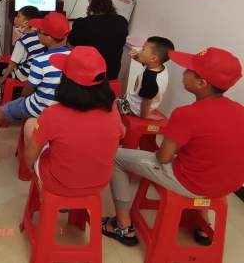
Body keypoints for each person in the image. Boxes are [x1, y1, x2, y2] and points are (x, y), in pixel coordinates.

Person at [104, 47, 244, 247]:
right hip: (227, 184)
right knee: (204, 164)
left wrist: (163, 152)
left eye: (189, 70)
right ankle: (203, 225)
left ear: (202, 84)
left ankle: (123, 226)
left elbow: (163, 158)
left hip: (190, 182)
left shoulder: (186, 114)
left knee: (115, 157)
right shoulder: (239, 110)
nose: (184, 72)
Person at [24, 46, 124, 196]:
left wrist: (33, 167)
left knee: (30, 123)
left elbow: (29, 156)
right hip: (99, 183)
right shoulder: (113, 111)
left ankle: (37, 179)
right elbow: (113, 150)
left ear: (64, 79)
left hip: (58, 183)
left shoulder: (52, 114)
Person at [0, 12, 70, 136]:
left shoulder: (40, 60)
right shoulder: (72, 56)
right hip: (62, 106)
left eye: (39, 31)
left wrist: (20, 98)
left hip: (41, 107)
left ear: (49, 38)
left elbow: (28, 90)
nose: (37, 33)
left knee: (0, 111)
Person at [67, 0, 128, 93]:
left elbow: (71, 45)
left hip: (89, 81)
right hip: (112, 79)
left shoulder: (83, 24)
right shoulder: (122, 21)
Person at [0, 5, 45, 102]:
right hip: (34, 72)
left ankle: (6, 92)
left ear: (26, 23)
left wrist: (3, 77)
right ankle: (14, 92)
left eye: (18, 16)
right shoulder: (37, 36)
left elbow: (13, 63)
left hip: (23, 74)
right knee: (4, 61)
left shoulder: (22, 41)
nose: (15, 18)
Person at [115, 36, 174, 121]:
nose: (140, 51)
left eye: (143, 49)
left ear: (153, 58)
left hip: (133, 107)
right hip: (132, 100)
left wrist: (145, 115)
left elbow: (147, 100)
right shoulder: (158, 66)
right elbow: (144, 63)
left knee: (103, 106)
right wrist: (136, 57)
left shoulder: (150, 79)